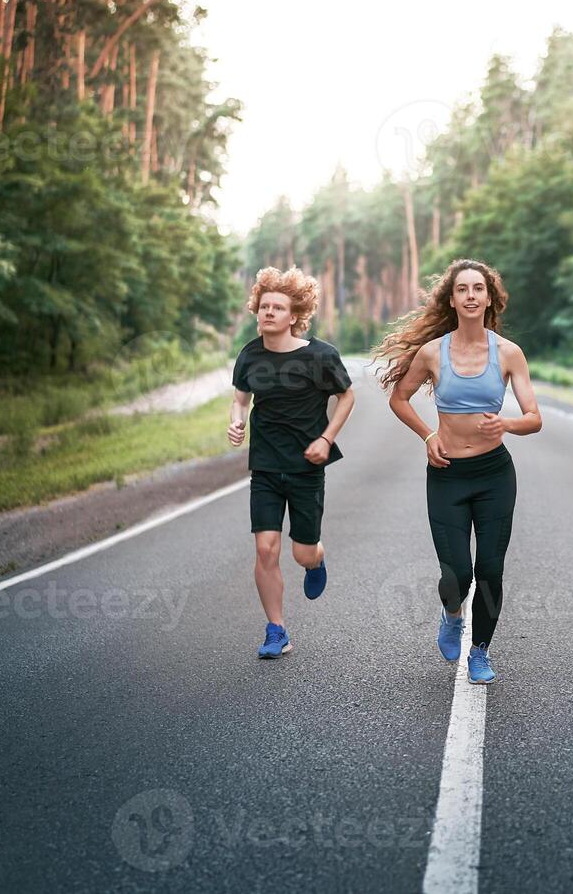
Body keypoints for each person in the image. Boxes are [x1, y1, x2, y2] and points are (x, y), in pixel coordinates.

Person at [372, 259, 542, 684]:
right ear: (452, 299)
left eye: (478, 289)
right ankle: (452, 615)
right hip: (447, 473)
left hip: (494, 475)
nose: (470, 295)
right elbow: (400, 399)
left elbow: (534, 417)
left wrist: (506, 423)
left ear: (489, 298)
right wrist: (429, 437)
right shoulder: (434, 352)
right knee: (455, 576)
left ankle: (480, 651)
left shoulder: (508, 353)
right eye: (462, 289)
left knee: (490, 568)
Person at [228, 266, 356, 659]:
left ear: (294, 315)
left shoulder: (320, 356)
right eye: (263, 306)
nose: (268, 313)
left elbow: (347, 397)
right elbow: (240, 398)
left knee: (302, 552)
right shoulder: (250, 354)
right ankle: (276, 629)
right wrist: (236, 421)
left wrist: (325, 438)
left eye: (277, 307)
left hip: (304, 467)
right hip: (265, 466)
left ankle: (316, 561)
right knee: (266, 549)